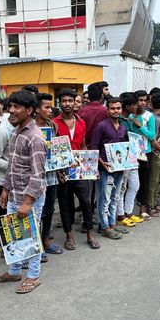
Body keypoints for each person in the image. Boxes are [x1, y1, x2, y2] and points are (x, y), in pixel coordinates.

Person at [0, 91, 47, 293]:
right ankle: (14, 271)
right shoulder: (16, 132)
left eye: (16, 107)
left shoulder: (35, 137)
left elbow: (38, 173)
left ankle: (33, 276)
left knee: (30, 236)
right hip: (14, 193)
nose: (11, 111)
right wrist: (5, 189)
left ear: (30, 110)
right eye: (10, 107)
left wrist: (27, 202)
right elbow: (13, 166)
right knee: (13, 234)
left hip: (29, 198)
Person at [53, 88, 98, 250]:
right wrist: (57, 172)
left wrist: (91, 167)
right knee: (65, 205)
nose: (67, 104)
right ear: (59, 103)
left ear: (75, 103)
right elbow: (52, 150)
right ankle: (69, 236)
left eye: (70, 101)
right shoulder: (54, 123)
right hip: (63, 170)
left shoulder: (81, 121)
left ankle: (89, 234)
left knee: (86, 202)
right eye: (64, 101)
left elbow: (84, 145)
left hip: (80, 170)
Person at [90, 98, 127, 240]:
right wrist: (102, 163)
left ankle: (112, 223)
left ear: (121, 109)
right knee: (104, 199)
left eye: (118, 108)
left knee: (115, 197)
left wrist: (125, 164)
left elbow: (123, 149)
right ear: (107, 110)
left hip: (119, 169)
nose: (116, 111)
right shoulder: (101, 126)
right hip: (104, 169)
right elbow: (94, 148)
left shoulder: (123, 127)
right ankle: (104, 227)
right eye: (113, 108)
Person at [35, 93, 63, 255]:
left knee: (49, 208)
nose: (50, 110)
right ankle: (36, 244)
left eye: (51, 107)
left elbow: (57, 151)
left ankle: (46, 240)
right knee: (36, 211)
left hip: (51, 174)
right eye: (46, 107)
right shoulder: (29, 127)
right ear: (37, 109)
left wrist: (59, 170)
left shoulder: (53, 126)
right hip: (35, 176)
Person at [116, 92, 143, 227]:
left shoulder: (130, 119)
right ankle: (121, 214)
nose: (137, 106)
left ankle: (129, 211)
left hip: (133, 157)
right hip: (123, 158)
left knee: (134, 185)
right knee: (122, 187)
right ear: (128, 106)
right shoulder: (119, 121)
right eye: (134, 104)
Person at [129, 89, 156, 219]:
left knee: (145, 181)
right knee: (131, 182)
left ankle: (143, 207)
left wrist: (140, 126)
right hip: (132, 153)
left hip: (146, 152)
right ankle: (128, 209)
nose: (143, 103)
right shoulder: (129, 116)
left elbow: (152, 136)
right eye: (140, 100)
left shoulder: (149, 116)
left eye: (145, 100)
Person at [147, 93, 160, 216]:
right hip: (156, 153)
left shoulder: (157, 118)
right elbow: (153, 140)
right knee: (154, 180)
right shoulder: (154, 119)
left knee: (159, 179)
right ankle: (150, 204)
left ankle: (154, 201)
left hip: (159, 152)